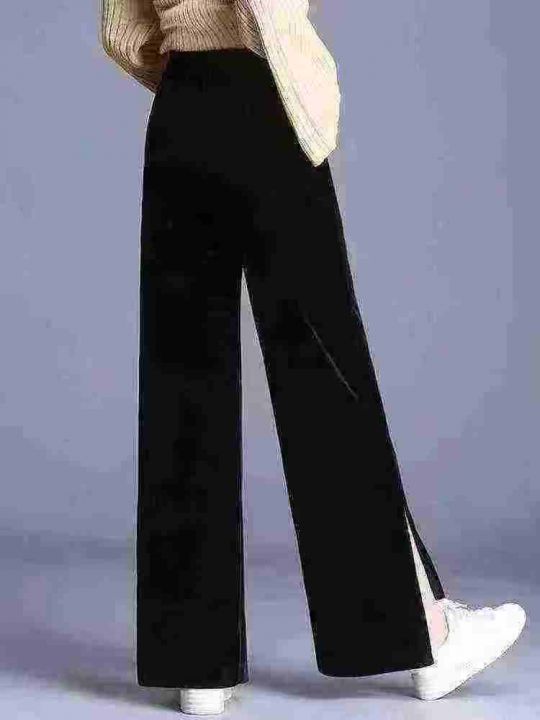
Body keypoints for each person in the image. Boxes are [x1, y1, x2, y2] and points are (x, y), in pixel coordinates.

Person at [100, 1, 526, 715]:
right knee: (324, 376)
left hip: (181, 112)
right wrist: (282, 71)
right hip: (262, 100)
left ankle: (196, 665)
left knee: (184, 382)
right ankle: (420, 636)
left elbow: (123, 31)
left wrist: (194, 75)